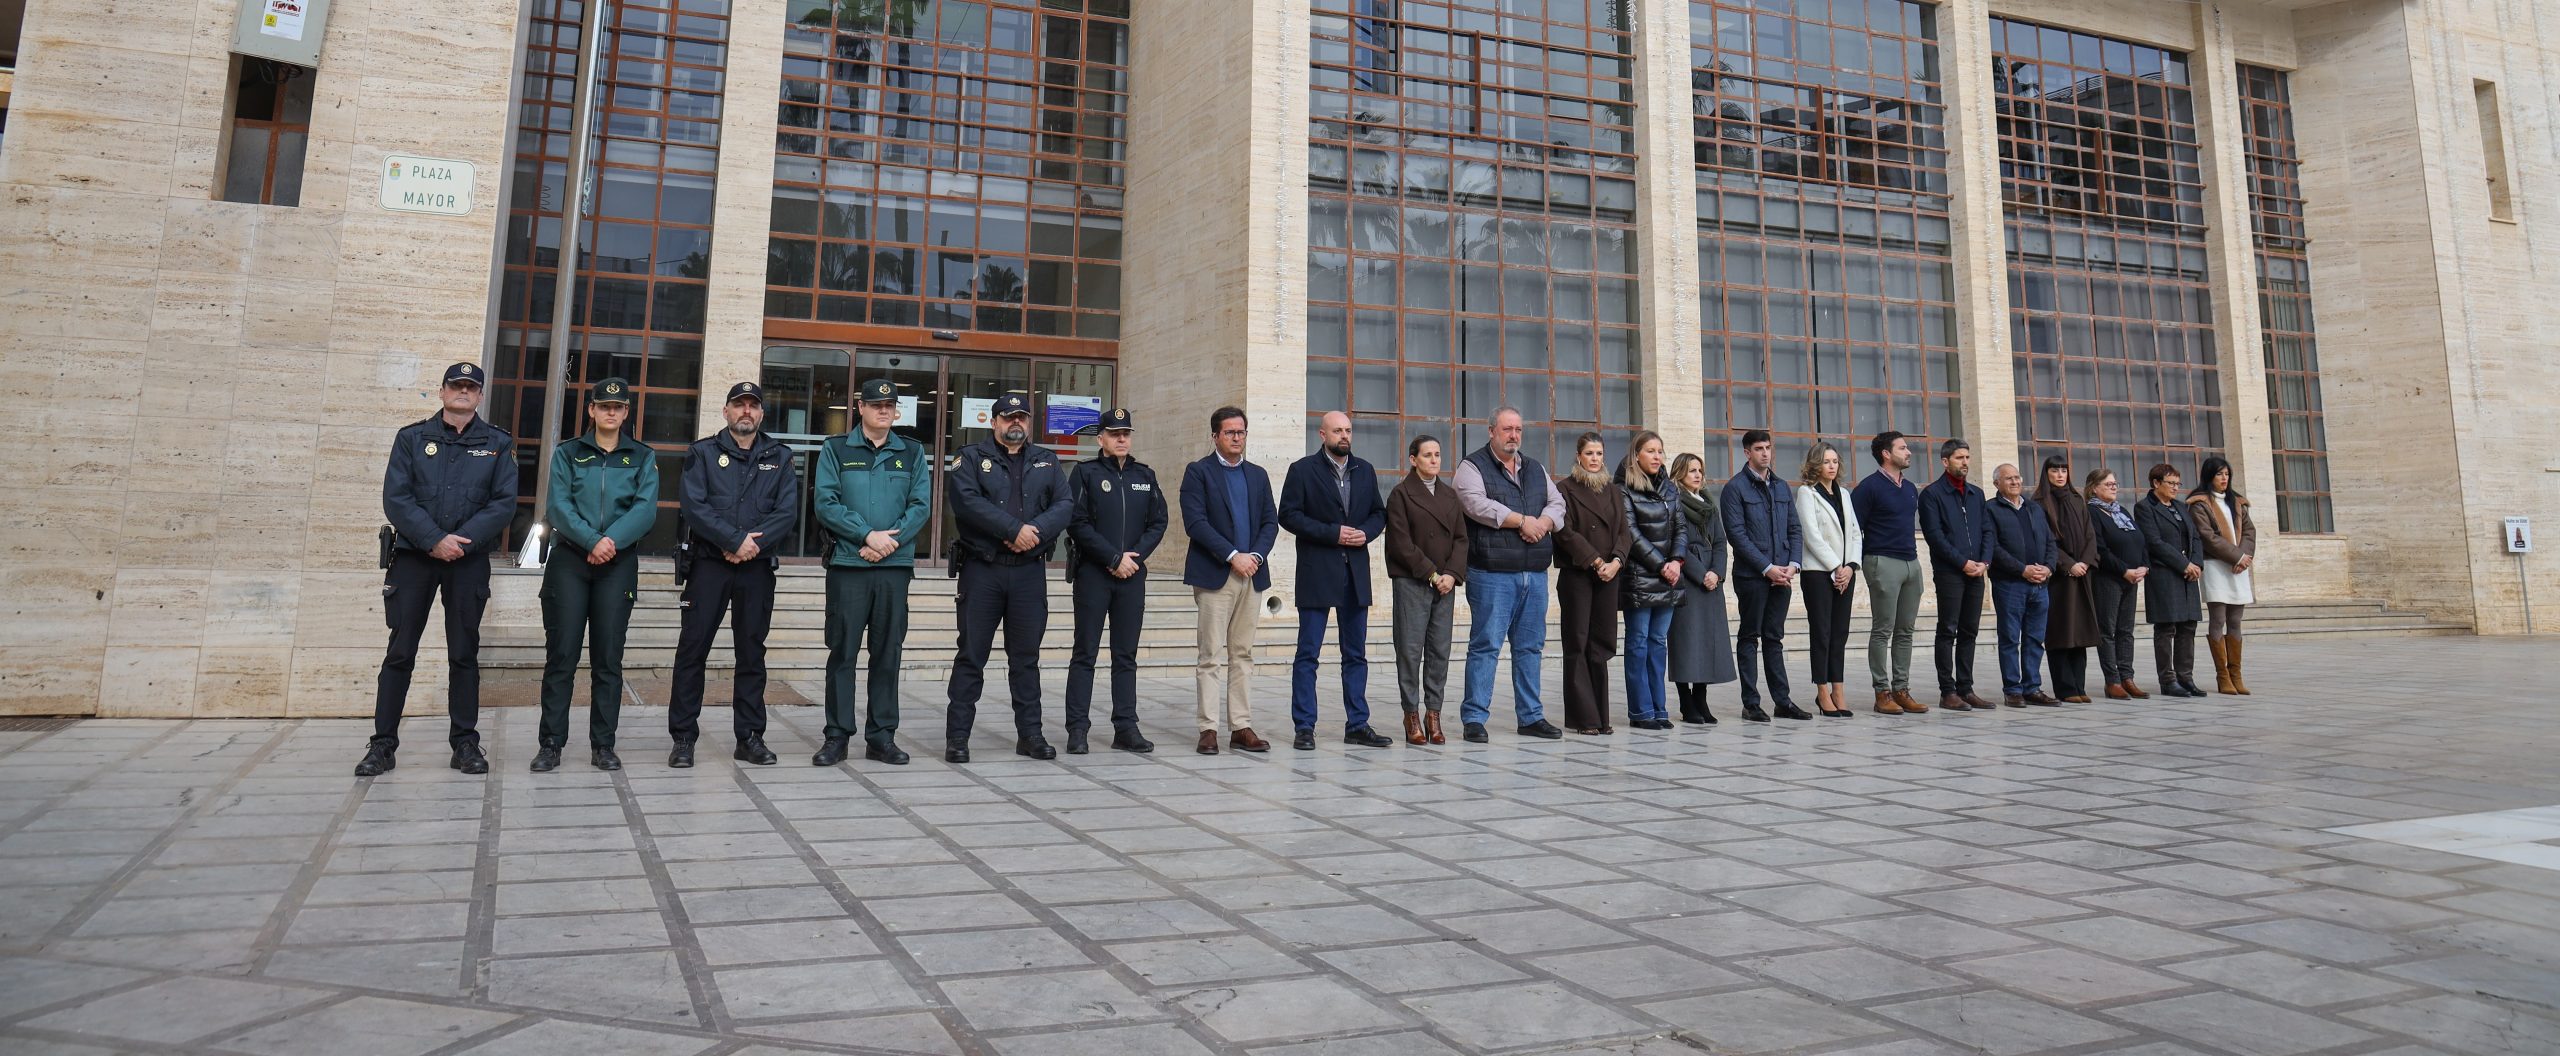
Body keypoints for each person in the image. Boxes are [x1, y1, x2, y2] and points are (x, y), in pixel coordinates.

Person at [360, 361, 516, 778]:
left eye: (471, 387)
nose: (463, 392)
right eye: (456, 385)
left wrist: (458, 542)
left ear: (480, 395)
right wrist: (434, 539)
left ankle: (465, 743)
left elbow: (503, 503)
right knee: (400, 652)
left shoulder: (498, 443)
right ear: (443, 391)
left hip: (467, 562)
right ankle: (382, 745)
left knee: (464, 654)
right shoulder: (411, 438)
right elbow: (397, 498)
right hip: (414, 558)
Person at [670, 381, 800, 769]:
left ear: (761, 414)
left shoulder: (780, 456)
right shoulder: (703, 453)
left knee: (751, 654)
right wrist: (732, 539)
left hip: (756, 569)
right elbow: (694, 506)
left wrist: (750, 546)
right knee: (693, 650)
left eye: (753, 406)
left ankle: (750, 737)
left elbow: (786, 512)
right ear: (726, 412)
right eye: (739, 405)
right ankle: (683, 739)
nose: (746, 411)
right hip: (709, 565)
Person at [533, 376, 656, 774]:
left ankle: (603, 745)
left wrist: (611, 542)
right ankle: (551, 743)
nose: (610, 412)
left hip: (617, 565)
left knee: (608, 660)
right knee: (562, 657)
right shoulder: (569, 453)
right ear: (591, 410)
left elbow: (644, 509)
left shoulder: (641, 456)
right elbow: (559, 505)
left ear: (625, 413)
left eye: (617, 407)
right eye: (603, 405)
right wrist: (591, 541)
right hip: (570, 560)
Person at [944, 394, 1074, 763]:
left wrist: (1033, 533)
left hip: (1029, 573)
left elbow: (1064, 505)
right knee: (971, 655)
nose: (1015, 423)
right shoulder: (970, 458)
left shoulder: (1046, 461)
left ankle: (1030, 735)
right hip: (983, 569)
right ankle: (958, 738)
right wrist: (1013, 529)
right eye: (1008, 417)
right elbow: (967, 502)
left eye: (1022, 417)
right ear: (994, 421)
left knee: (1026, 659)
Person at [811, 378, 932, 767]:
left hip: (893, 568)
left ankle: (882, 737)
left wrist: (886, 543)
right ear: (860, 408)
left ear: (896, 411)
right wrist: (866, 535)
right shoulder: (836, 449)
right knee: (842, 652)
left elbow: (920, 506)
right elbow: (826, 503)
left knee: (887, 654)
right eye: (875, 404)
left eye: (889, 405)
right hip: (849, 566)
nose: (883, 410)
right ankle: (836, 736)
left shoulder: (912, 452)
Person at [1453, 406, 1568, 742]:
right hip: (1491, 573)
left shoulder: (1535, 468)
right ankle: (1474, 718)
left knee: (1530, 647)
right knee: (1486, 645)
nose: (1513, 435)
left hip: (1533, 574)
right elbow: (1474, 503)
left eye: (1518, 429)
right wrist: (1521, 520)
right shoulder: (1471, 466)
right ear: (1491, 431)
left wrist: (1543, 523)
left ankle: (1531, 717)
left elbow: (1557, 501)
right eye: (1506, 429)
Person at [1281, 411, 1393, 750]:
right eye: (1337, 430)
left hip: (1355, 574)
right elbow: (1289, 515)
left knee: (1355, 654)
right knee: (1308, 654)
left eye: (1348, 430)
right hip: (1318, 571)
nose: (1344, 436)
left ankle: (1357, 724)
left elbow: (1379, 513)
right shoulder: (1302, 470)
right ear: (1322, 434)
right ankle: (1304, 727)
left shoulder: (1365, 470)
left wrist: (1365, 534)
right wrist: (1333, 534)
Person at [1064, 408, 1167, 754]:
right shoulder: (1085, 473)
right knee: (1085, 654)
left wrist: (1133, 557)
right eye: (1115, 433)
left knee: (1126, 655)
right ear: (1101, 439)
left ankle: (1126, 727)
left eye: (1126, 433)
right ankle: (1077, 729)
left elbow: (1159, 522)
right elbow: (1076, 522)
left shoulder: (1144, 475)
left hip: (1132, 576)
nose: (1122, 439)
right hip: (1094, 575)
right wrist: (1112, 558)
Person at [1179, 406, 1278, 755]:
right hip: (1215, 575)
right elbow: (1196, 523)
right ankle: (1208, 728)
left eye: (1242, 432)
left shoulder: (1258, 474)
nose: (1237, 438)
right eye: (1230, 432)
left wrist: (1255, 556)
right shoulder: (1198, 473)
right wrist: (1232, 555)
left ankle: (1241, 726)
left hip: (1251, 574)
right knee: (1210, 654)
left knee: (1243, 653)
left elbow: (1270, 521)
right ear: (1215, 436)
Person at [1722, 429, 1809, 723]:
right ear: (1747, 453)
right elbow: (1737, 535)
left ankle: (1782, 701)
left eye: (1768, 447)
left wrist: (1793, 565)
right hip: (1752, 576)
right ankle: (1751, 704)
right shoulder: (1735, 489)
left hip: (1782, 575)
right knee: (1750, 636)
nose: (1765, 453)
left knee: (1775, 638)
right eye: (1759, 448)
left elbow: (1795, 530)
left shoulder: (1782, 487)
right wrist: (1767, 568)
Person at [1386, 435, 1465, 745]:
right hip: (1414, 581)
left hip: (1444, 584)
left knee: (1439, 651)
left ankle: (1434, 714)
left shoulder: (1449, 495)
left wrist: (1452, 575)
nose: (1434, 460)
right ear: (1413, 459)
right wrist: (1432, 574)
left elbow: (1461, 539)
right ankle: (1411, 715)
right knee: (1409, 650)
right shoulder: (1401, 495)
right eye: (1428, 455)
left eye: (1438, 455)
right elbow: (1400, 544)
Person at [1554, 433, 1631, 736]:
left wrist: (1616, 561)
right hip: (1579, 575)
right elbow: (1564, 532)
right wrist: (1596, 561)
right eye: (1589, 453)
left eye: (1599, 453)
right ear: (1578, 456)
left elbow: (1624, 531)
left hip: (1609, 576)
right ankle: (1583, 717)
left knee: (1602, 643)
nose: (1595, 458)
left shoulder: (1612, 491)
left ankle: (1601, 715)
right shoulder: (1565, 489)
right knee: (1578, 642)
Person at [1919, 438, 1996, 712]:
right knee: (1948, 629)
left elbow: (1987, 530)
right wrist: (1963, 562)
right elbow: (1935, 537)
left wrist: (1984, 561)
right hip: (1950, 571)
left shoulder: (1976, 494)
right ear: (1945, 461)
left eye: (1967, 457)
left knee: (1969, 631)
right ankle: (1948, 691)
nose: (1965, 462)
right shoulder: (1932, 495)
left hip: (1977, 571)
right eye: (1959, 458)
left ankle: (1966, 688)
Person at [1617, 432, 1686, 731]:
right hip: (1640, 577)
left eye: (1660, 451)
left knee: (1658, 643)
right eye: (1650, 451)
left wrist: (1676, 561)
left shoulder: (1670, 488)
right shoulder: (1623, 489)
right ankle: (1641, 711)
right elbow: (1631, 534)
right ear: (1636, 456)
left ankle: (1660, 708)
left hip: (1668, 576)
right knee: (1638, 643)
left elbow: (1681, 528)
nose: (1657, 457)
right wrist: (1661, 565)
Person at [1852, 431, 1925, 715]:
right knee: (1883, 629)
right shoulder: (1868, 488)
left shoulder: (1909, 488)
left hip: (1911, 562)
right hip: (1882, 561)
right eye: (1903, 448)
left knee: (1906, 630)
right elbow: (1854, 529)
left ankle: (1901, 689)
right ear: (1886, 453)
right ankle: (1881, 692)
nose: (1908, 452)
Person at [1794, 440, 1862, 718]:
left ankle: (1838, 689)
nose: (1831, 466)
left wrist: (1850, 567)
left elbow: (1855, 532)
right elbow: (1811, 535)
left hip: (1845, 573)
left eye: (1834, 461)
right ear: (1815, 465)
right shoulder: (1806, 493)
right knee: (1821, 632)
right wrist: (1835, 566)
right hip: (1818, 573)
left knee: (1840, 634)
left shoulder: (1844, 494)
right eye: (1826, 461)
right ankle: (1822, 691)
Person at [1667, 453, 1736, 724]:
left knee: (1708, 641)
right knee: (1686, 641)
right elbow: (1677, 542)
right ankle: (1686, 702)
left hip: (1711, 581)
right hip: (1688, 579)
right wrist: (1700, 573)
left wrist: (1717, 573)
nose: (1697, 475)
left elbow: (1720, 541)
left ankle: (1701, 699)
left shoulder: (1709, 503)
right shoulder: (1674, 502)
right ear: (1680, 474)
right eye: (1691, 470)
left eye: (1700, 470)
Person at [1987, 463, 2059, 708]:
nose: (2015, 482)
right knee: (2009, 638)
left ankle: (2032, 687)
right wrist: (2022, 569)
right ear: (1997, 483)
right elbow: (1993, 548)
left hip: (2040, 584)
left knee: (2035, 638)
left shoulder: (2034, 508)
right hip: (2010, 584)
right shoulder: (1991, 509)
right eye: (2009, 479)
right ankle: (2013, 690)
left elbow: (2050, 542)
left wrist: (2048, 568)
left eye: (2017, 477)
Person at [2186, 456, 2257, 695]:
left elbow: (2249, 531)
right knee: (2218, 620)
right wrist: (2236, 557)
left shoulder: (2237, 502)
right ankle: (2223, 676)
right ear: (2209, 476)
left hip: (2239, 567)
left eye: (2227, 474)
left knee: (2235, 621)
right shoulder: (2199, 503)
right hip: (2216, 566)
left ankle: (2237, 675)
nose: (2224, 478)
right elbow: (2207, 536)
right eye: (2219, 474)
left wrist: (2244, 557)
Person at [2033, 456, 2100, 703]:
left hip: (2082, 574)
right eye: (2055, 470)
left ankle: (2079, 687)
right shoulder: (2039, 502)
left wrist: (2084, 562)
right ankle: (2065, 688)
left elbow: (2090, 535)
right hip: (2059, 578)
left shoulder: (2076, 499)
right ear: (2046, 473)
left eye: (2064, 470)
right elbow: (2045, 540)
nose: (2060, 475)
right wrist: (2068, 564)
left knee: (2080, 633)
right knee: (2061, 632)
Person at [2136, 463, 2207, 697]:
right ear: (2156, 483)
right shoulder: (2145, 508)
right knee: (2166, 628)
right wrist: (2183, 564)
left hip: (2188, 575)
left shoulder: (2180, 507)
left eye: (2178, 484)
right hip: (2165, 573)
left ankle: (2186, 678)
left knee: (2188, 626)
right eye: (2171, 483)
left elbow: (2195, 537)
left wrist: (2196, 564)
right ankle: (2168, 680)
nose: (2176, 488)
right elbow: (2155, 543)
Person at [2085, 468, 2150, 699]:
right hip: (2109, 579)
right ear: (2094, 487)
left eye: (2115, 483)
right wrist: (2124, 570)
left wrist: (2144, 566)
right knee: (2108, 631)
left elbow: (2140, 540)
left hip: (2132, 578)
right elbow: (2100, 549)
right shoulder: (2092, 512)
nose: (2114, 487)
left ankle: (2127, 677)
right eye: (2108, 484)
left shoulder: (2121, 511)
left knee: (2126, 630)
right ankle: (2112, 681)